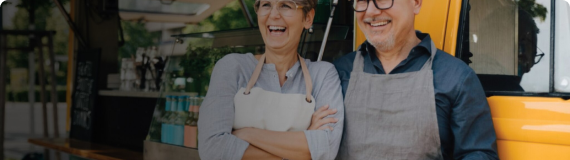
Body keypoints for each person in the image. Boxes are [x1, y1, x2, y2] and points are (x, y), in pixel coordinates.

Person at [333, 0, 498, 159]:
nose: (370, 11)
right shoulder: (337, 74)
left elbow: (478, 153)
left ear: (416, 3)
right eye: (362, 1)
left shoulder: (457, 77)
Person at [197, 0, 344, 159]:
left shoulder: (323, 75)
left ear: (308, 18)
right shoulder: (233, 68)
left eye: (286, 5)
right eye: (266, 4)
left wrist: (248, 134)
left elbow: (327, 149)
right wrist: (305, 144)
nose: (273, 15)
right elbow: (212, 149)